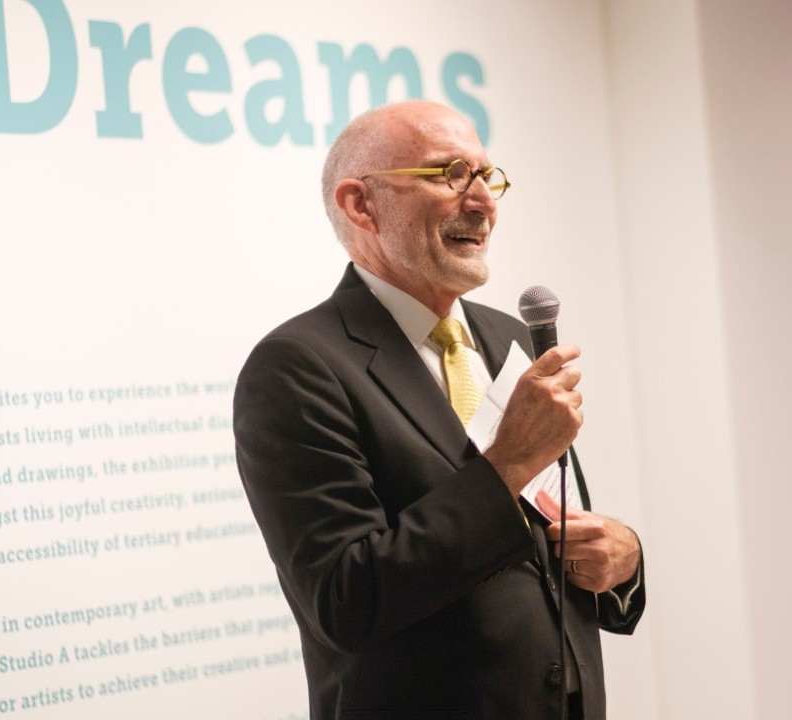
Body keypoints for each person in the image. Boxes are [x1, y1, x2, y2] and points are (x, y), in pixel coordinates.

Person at [233, 99, 645, 720]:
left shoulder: (507, 334)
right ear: (360, 204)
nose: (483, 202)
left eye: (487, 176)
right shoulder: (298, 366)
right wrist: (504, 466)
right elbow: (347, 599)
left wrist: (622, 560)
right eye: (450, 174)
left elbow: (544, 527)